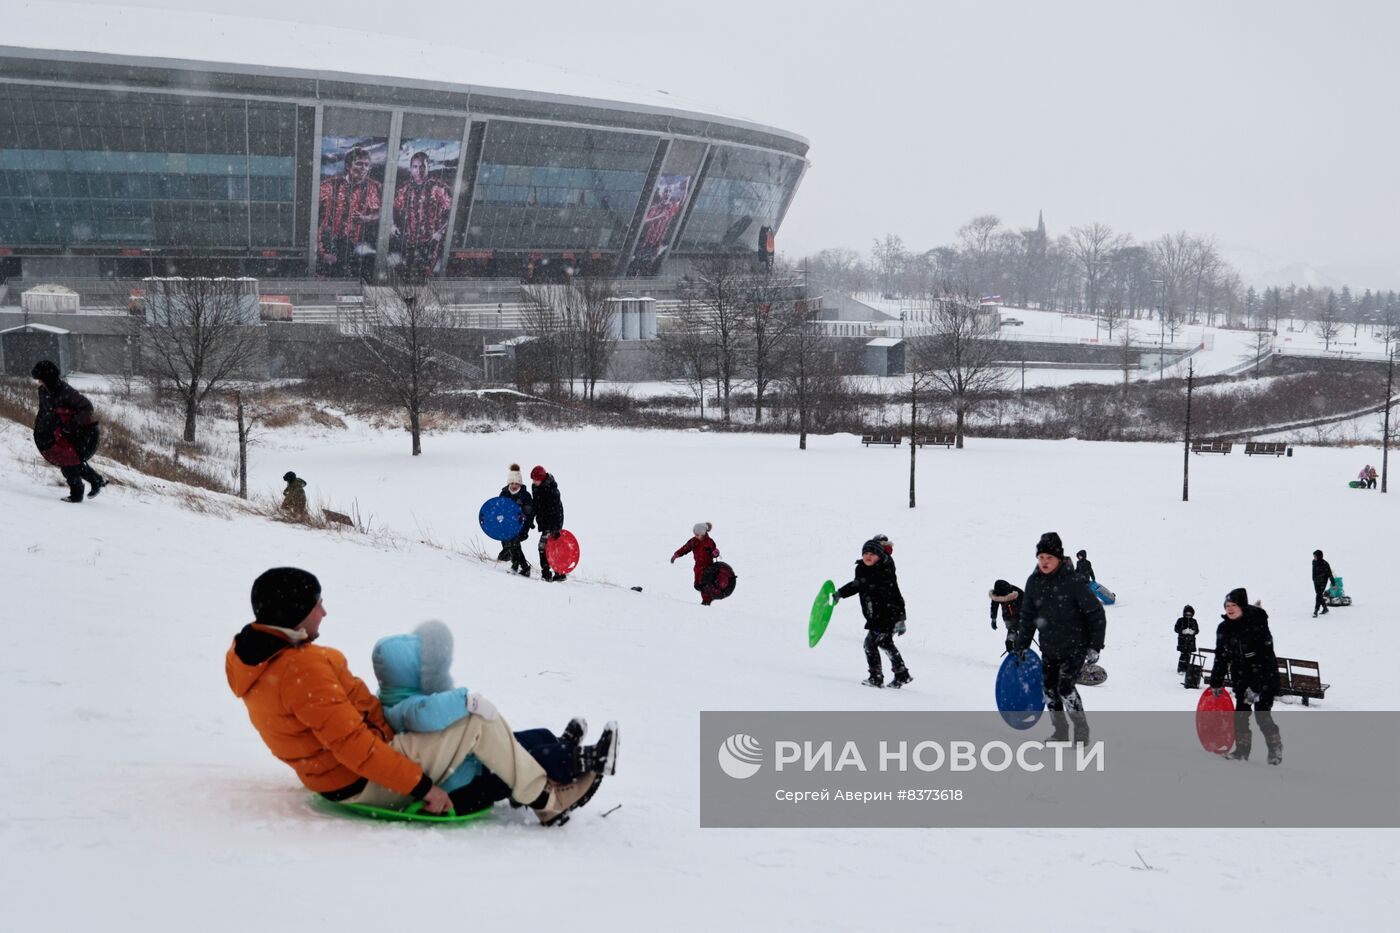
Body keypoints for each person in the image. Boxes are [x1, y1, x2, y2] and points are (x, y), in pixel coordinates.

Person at [226, 567, 597, 825]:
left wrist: (407, 717)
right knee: (477, 721)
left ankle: (540, 769)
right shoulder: (299, 668)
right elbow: (353, 747)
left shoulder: (255, 657)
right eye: (316, 604)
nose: (324, 612)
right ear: (294, 612)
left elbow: (346, 722)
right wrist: (423, 787)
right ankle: (548, 801)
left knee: (459, 723)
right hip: (359, 778)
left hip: (339, 775)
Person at [371, 620, 617, 816]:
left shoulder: (399, 697)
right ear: (411, 673)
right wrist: (464, 700)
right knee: (525, 757)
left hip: (468, 760)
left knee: (526, 739)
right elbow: (428, 714)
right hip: (465, 783)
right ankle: (581, 759)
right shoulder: (404, 707)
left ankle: (560, 744)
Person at [1010, 532, 1106, 745]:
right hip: (1050, 646)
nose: (1044, 562)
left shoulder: (1073, 582)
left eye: (1049, 558)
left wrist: (1094, 646)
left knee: (1065, 687)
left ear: (1059, 558)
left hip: (1075, 646)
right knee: (1049, 688)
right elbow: (1028, 617)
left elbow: (1096, 613)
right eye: (1041, 557)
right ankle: (1060, 732)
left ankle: (1081, 730)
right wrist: (1022, 645)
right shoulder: (1034, 582)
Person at [1208, 588, 1283, 765]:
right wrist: (1216, 682)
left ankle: (1275, 750)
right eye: (1227, 605)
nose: (1230, 608)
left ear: (1242, 606)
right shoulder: (1224, 628)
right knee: (1240, 716)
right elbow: (1221, 656)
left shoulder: (1256, 624)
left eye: (1234, 605)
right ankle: (1242, 752)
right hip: (1241, 676)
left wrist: (1256, 688)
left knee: (1261, 715)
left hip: (1264, 676)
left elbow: (1265, 656)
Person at [833, 539, 911, 688]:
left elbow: (896, 596)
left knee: (870, 644)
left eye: (873, 554)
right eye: (866, 553)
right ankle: (902, 674)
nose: (868, 556)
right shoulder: (863, 569)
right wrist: (840, 593)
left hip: (887, 615)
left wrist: (901, 619)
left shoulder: (883, 572)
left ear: (880, 556)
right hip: (875, 614)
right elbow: (857, 585)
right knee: (884, 643)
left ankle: (876, 677)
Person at [31, 359, 107, 503]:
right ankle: (96, 480)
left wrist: (69, 426)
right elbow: (44, 411)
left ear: (47, 378)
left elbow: (87, 407)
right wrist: (39, 427)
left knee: (67, 461)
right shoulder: (43, 391)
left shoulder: (65, 391)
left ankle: (77, 494)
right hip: (60, 432)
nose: (38, 382)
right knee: (70, 460)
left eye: (40, 379)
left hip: (82, 433)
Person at [317, 146, 382, 279]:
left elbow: (379, 213)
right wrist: (322, 250)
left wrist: (367, 218)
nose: (363, 168)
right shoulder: (329, 186)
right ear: (347, 165)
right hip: (331, 243)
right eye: (359, 163)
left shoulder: (372, 187)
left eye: (366, 165)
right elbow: (315, 217)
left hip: (356, 245)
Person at [391, 151, 453, 278]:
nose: (419, 170)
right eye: (415, 167)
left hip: (431, 241)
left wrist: (440, 232)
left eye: (422, 167)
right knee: (407, 274)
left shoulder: (439, 188)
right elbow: (394, 208)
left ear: (428, 167)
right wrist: (393, 225)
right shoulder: (404, 189)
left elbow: (450, 214)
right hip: (410, 240)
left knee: (425, 274)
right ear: (411, 168)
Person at [530, 465, 567, 581]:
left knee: (545, 547)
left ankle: (552, 573)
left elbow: (557, 510)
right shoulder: (535, 487)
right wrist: (531, 519)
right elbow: (536, 505)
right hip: (544, 522)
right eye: (533, 480)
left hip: (553, 523)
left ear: (542, 478)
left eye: (536, 480)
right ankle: (554, 573)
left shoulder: (552, 490)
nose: (534, 482)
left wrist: (556, 528)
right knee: (548, 548)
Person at [498, 464, 535, 577]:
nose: (514, 485)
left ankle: (515, 565)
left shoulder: (525, 495)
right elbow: (498, 508)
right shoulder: (504, 493)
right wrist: (499, 517)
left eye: (516, 483)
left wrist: (524, 519)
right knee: (510, 544)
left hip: (521, 527)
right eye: (512, 483)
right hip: (507, 526)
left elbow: (529, 513)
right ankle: (525, 567)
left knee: (514, 542)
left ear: (520, 483)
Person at [672, 522, 720, 605]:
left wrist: (715, 553)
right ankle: (706, 596)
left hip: (708, 566)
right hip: (698, 566)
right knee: (697, 584)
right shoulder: (693, 541)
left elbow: (714, 552)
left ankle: (706, 600)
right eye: (695, 534)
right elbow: (685, 548)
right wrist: (676, 554)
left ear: (703, 533)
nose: (696, 536)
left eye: (698, 534)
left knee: (704, 584)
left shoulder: (709, 542)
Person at [989, 579, 1026, 654]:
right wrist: (993, 619)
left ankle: (1018, 650)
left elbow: (1028, 604)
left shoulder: (1017, 592)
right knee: (1012, 634)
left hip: (1020, 615)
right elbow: (994, 607)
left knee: (1015, 635)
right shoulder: (997, 595)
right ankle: (1013, 652)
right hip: (1008, 616)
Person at [1174, 604, 1199, 673]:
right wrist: (1182, 631)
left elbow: (1197, 630)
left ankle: (1187, 668)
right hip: (1182, 640)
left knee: (1188, 655)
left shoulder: (1194, 621)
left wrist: (1193, 631)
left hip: (1191, 641)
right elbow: (1176, 629)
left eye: (1190, 614)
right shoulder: (1180, 620)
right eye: (1187, 613)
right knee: (1183, 655)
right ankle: (1181, 669)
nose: (1188, 615)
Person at [1311, 549, 1335, 617]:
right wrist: (1313, 579)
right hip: (1316, 581)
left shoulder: (1325, 564)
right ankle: (1325, 608)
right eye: (1314, 556)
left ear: (1319, 556)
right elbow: (1313, 571)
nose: (1314, 558)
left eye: (1315, 556)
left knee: (1318, 595)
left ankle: (1316, 610)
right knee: (1319, 595)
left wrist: (1333, 584)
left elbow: (1330, 574)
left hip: (1323, 582)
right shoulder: (1314, 562)